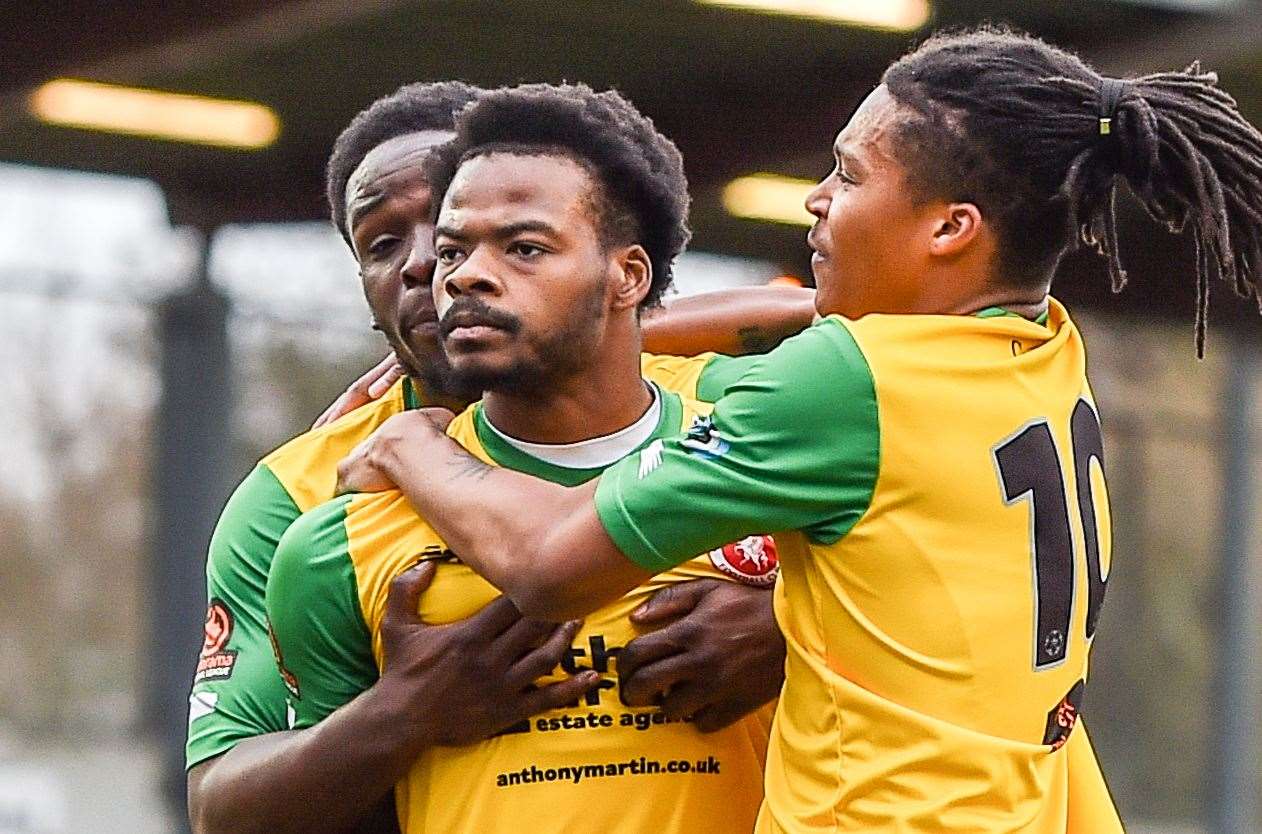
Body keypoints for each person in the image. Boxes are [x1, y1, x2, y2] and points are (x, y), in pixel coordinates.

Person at [340, 27, 1262, 833]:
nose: (815, 200)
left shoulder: (837, 388)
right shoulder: (1039, 349)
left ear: (950, 228)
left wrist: (412, 441)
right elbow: (805, 326)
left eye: (848, 176)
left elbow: (547, 566)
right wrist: (582, 324)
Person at [186, 80, 812, 834]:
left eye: (519, 242)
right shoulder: (305, 506)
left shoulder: (744, 418)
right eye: (388, 242)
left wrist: (790, 626)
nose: (436, 269)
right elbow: (226, 806)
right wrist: (402, 713)